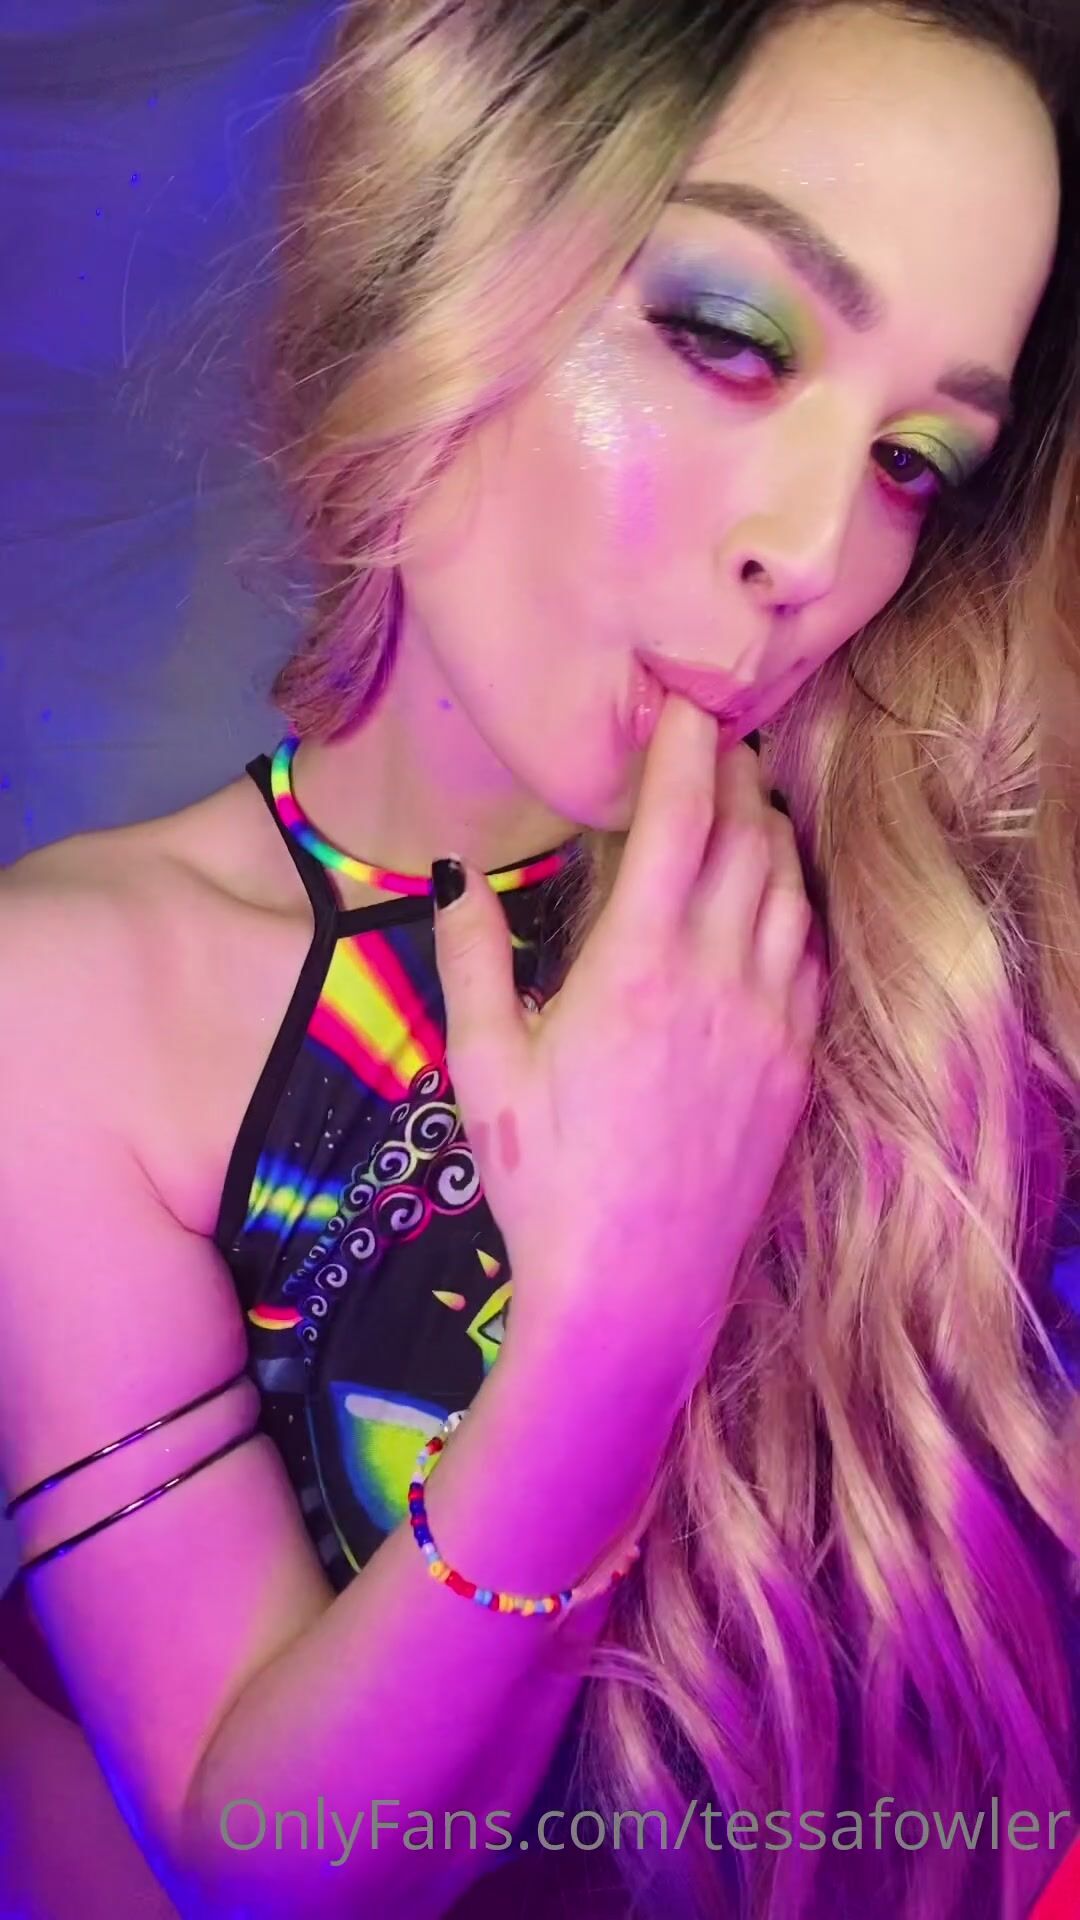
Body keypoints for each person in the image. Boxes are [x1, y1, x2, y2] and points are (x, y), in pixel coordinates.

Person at [2, 2, 1080, 1917]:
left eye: (917, 458)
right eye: (731, 338)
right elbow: (278, 1870)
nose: (817, 547)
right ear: (444, 244)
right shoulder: (74, 998)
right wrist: (619, 1317)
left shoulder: (924, 940)